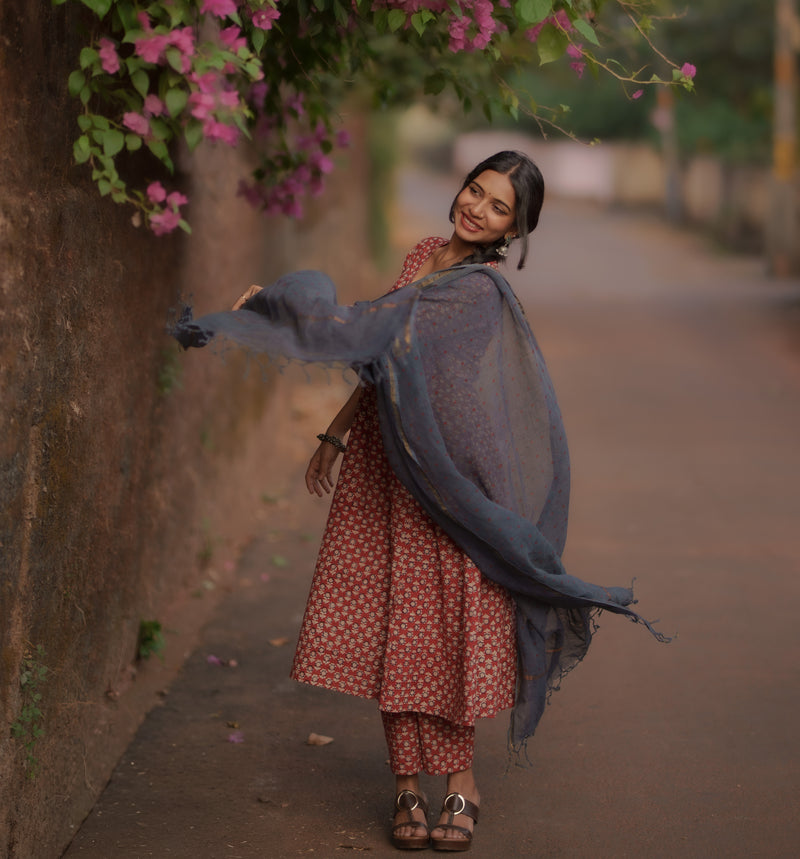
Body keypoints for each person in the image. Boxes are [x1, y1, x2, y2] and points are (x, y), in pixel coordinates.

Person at [172, 150, 666, 854]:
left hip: (440, 477)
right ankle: (406, 785)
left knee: (441, 628)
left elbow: (367, 327)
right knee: (391, 627)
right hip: (382, 466)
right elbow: (380, 354)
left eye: (500, 207)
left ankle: (461, 781)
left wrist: (281, 308)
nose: (479, 209)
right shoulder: (423, 256)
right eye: (477, 191)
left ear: (515, 229)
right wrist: (338, 432)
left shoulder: (477, 288)